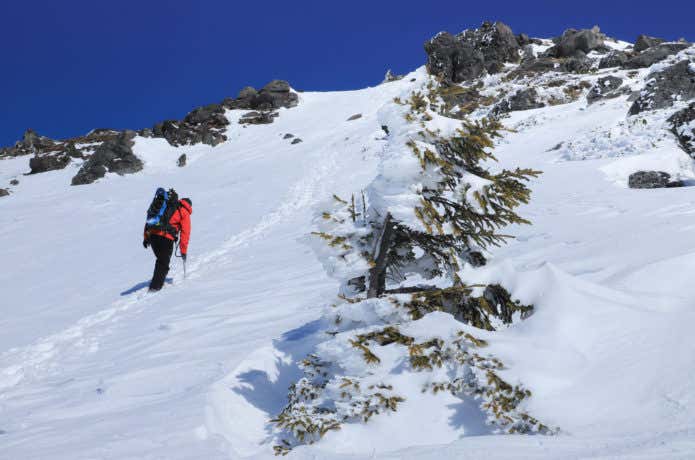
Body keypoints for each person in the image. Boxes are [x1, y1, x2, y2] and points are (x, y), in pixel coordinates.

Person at [143, 197, 192, 291]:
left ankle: (157, 283)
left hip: (152, 235)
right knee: (163, 262)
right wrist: (183, 252)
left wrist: (146, 237)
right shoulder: (184, 211)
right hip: (166, 237)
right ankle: (155, 288)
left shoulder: (167, 204)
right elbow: (185, 233)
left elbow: (151, 217)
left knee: (162, 261)